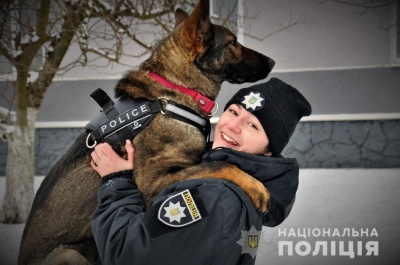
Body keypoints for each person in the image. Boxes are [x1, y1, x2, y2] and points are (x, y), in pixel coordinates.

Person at [90, 77, 312, 265]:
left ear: (268, 151)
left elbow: (125, 254)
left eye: (252, 125)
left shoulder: (214, 196)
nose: (233, 126)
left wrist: (116, 181)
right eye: (234, 112)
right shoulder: (222, 186)